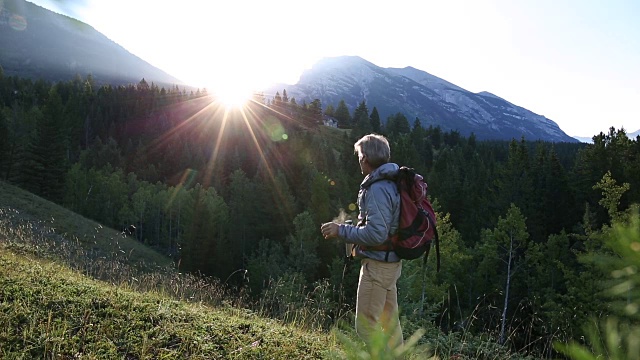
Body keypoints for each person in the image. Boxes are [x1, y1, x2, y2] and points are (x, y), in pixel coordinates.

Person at [320, 133, 403, 351]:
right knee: (390, 326)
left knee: (366, 327)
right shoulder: (391, 183)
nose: (358, 160)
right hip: (390, 264)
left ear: (364, 158)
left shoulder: (377, 189)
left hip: (377, 266)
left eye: (359, 156)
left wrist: (342, 230)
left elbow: (376, 234)